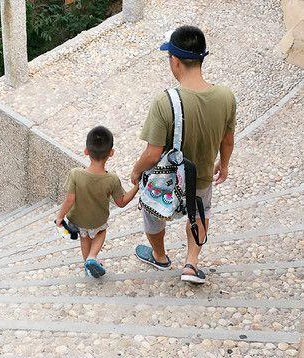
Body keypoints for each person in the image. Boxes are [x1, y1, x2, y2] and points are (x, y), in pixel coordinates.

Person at [129, 25, 236, 285]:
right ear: (202, 57)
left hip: (166, 180)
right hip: (202, 175)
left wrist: (136, 171)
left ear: (175, 60)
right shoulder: (226, 96)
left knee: (153, 212)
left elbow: (153, 153)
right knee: (200, 211)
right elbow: (227, 139)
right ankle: (191, 263)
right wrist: (224, 164)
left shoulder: (164, 102)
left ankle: (160, 256)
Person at [56, 125, 139, 278]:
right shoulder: (112, 179)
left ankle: (87, 265)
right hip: (98, 220)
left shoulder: (75, 174)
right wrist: (137, 187)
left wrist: (60, 217)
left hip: (79, 220)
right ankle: (92, 257)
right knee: (100, 232)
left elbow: (69, 199)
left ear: (86, 151)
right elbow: (121, 202)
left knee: (84, 238)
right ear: (111, 153)